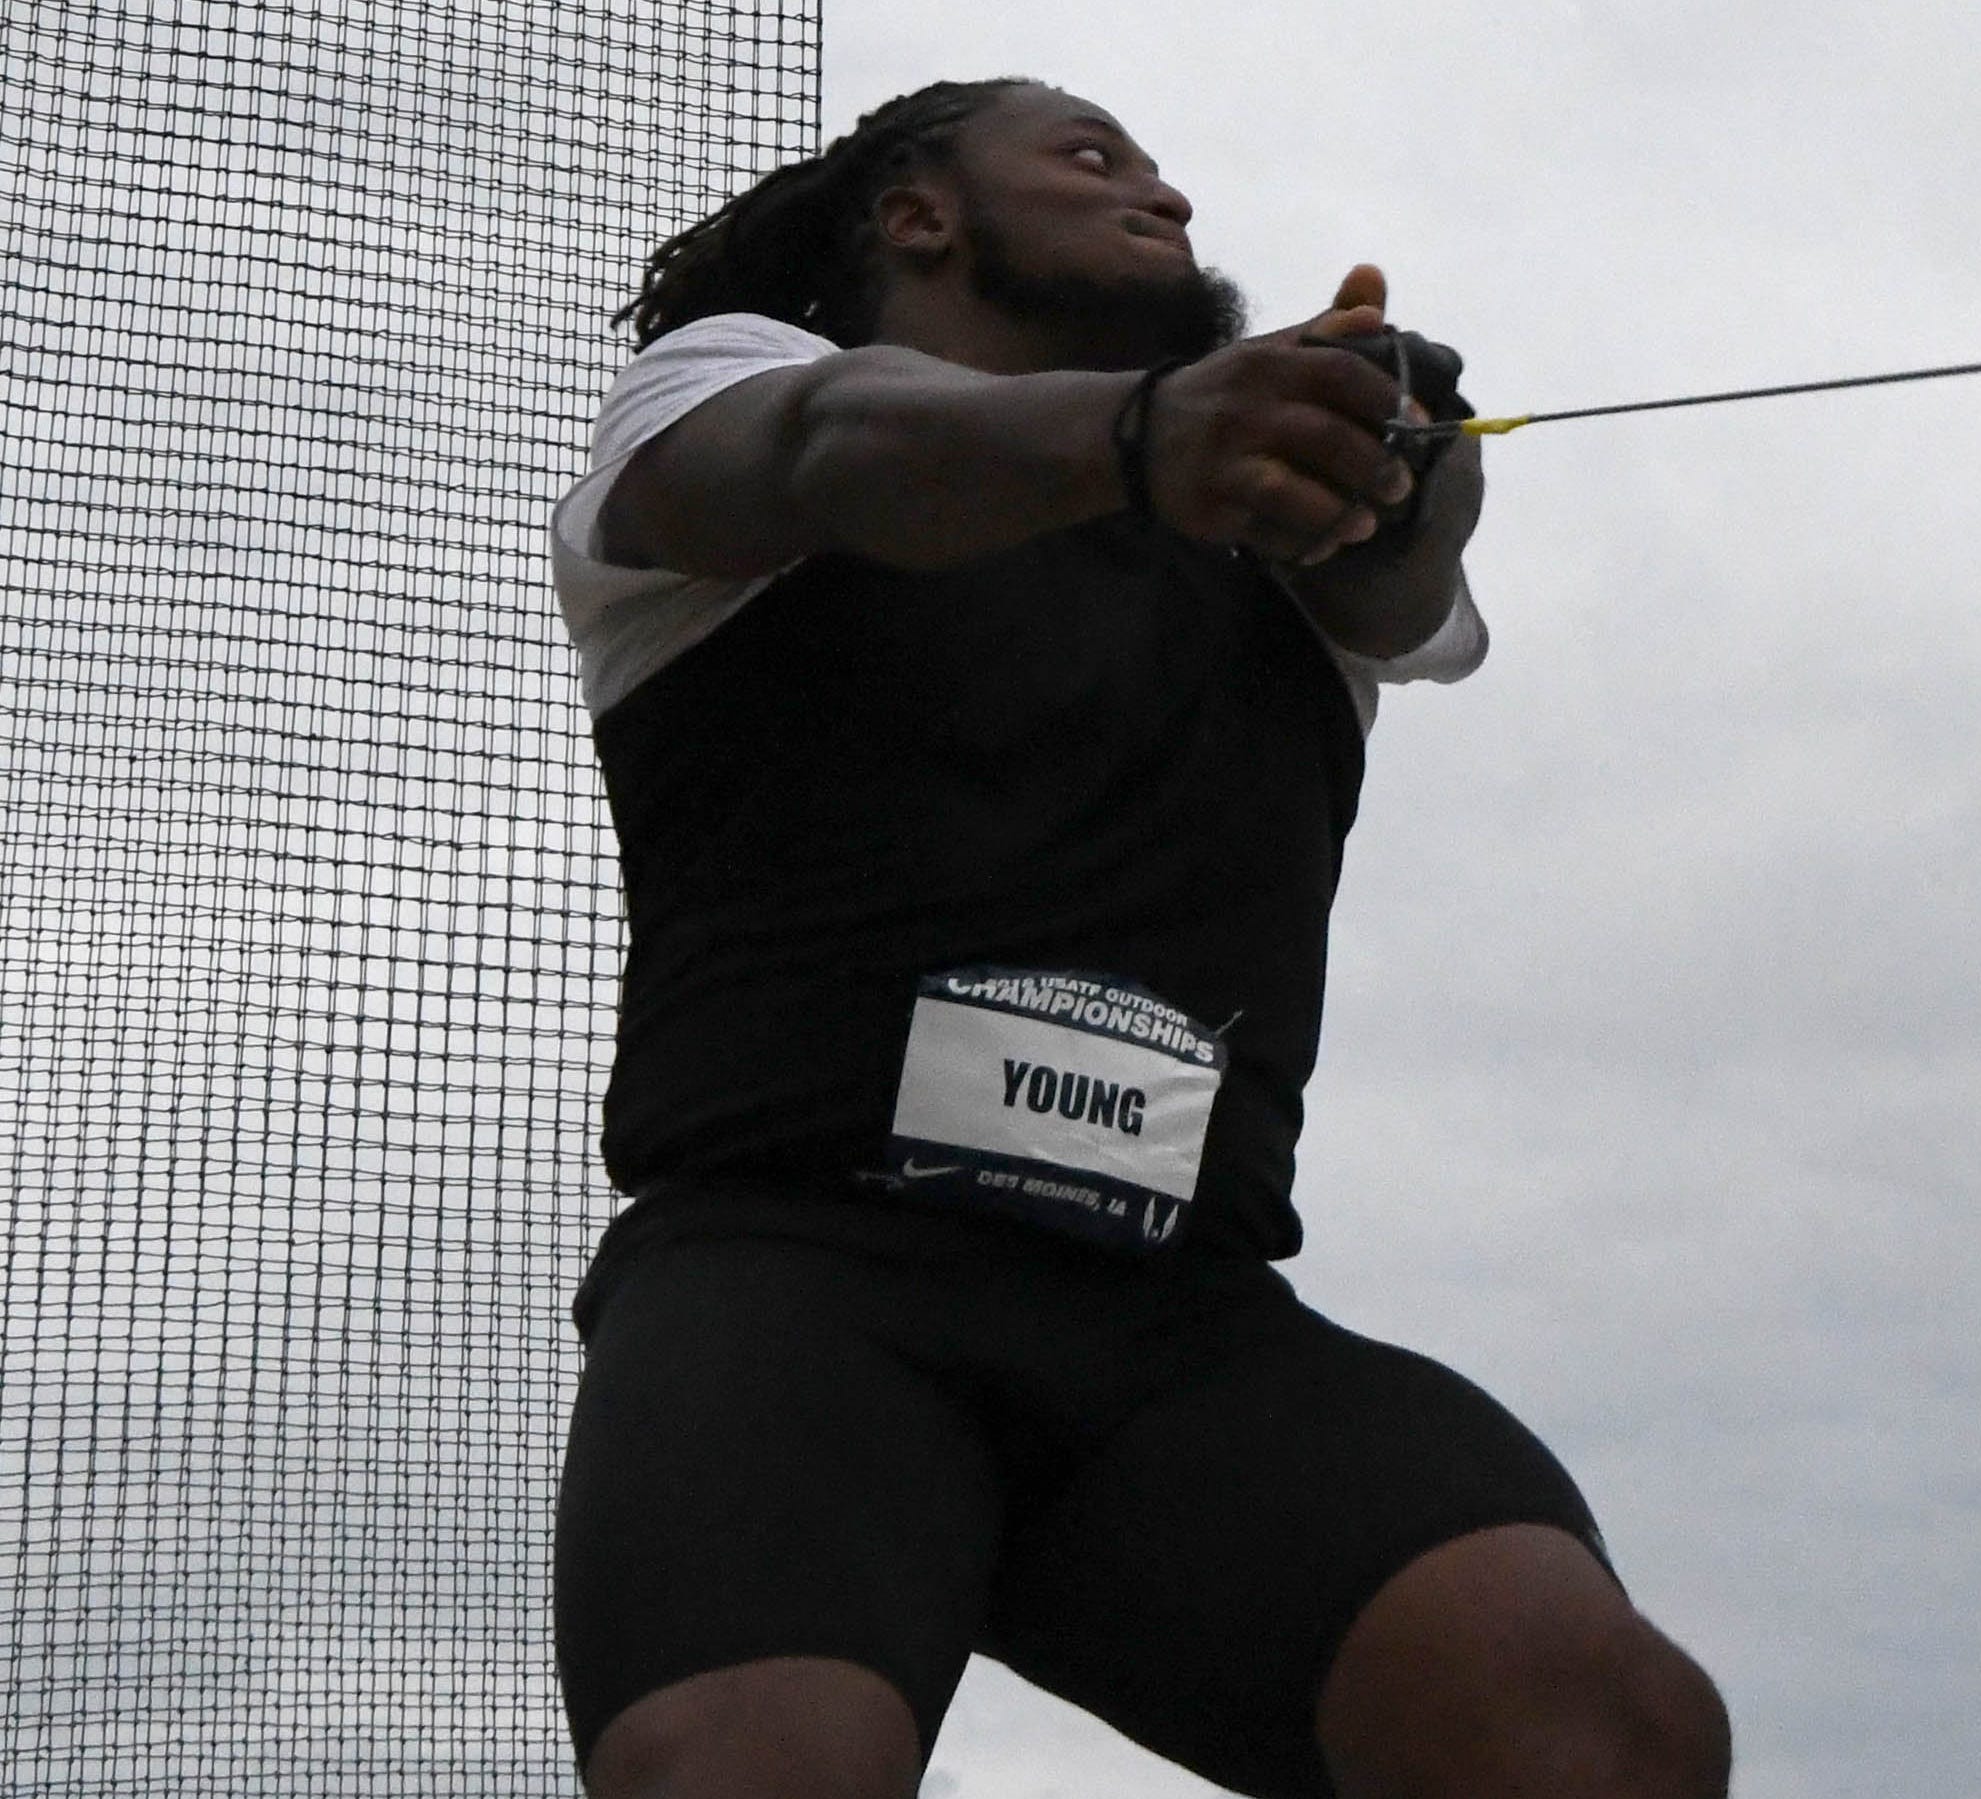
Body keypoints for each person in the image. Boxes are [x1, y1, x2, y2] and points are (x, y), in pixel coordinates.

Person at [546, 77, 1731, 1799]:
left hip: (1176, 1330)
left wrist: (1400, 479)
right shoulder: (732, 384)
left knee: (1588, 1716)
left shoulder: (1271, 544)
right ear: (917, 213)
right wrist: (1137, 438)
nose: (1162, 196)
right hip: (797, 1301)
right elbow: (824, 451)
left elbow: (1399, 588)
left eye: (1164, 171)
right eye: (1093, 159)